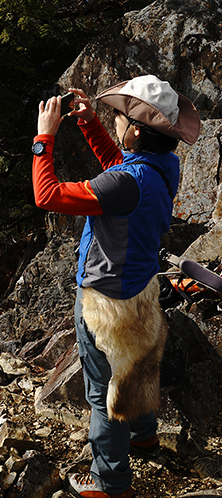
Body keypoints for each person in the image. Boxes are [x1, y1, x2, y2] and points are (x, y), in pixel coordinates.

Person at [32, 75, 201, 498]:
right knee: (137, 364)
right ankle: (143, 435)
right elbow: (120, 168)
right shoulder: (163, 166)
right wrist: (90, 124)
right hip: (141, 289)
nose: (117, 122)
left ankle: (110, 483)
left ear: (138, 130)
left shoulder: (126, 184)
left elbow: (47, 195)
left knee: (101, 390)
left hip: (104, 301)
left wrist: (44, 137)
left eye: (120, 118)